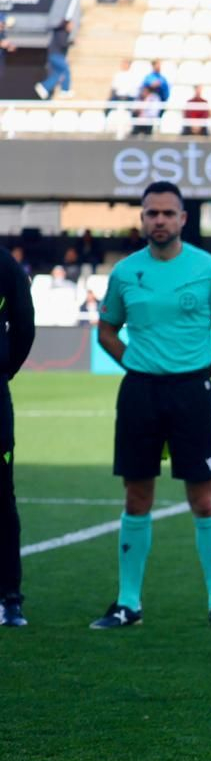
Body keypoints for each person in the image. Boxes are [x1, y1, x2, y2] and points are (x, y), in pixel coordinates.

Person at [91, 182, 211, 631]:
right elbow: (107, 331)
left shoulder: (209, 269)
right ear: (142, 220)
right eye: (150, 213)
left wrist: (197, 373)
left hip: (190, 394)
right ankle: (127, 604)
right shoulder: (124, 273)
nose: (158, 220)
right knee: (136, 497)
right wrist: (139, 364)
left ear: (183, 219)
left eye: (167, 213)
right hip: (140, 392)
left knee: (202, 498)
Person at [0, 244, 35, 627]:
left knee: (1, 499)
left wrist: (5, 370)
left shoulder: (4, 265)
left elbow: (24, 326)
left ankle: (10, 596)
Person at [34, 19, 73, 100]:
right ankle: (65, 90)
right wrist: (71, 42)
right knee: (66, 70)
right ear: (66, 25)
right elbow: (63, 44)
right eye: (71, 25)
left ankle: (44, 87)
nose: (72, 27)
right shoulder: (62, 32)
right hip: (56, 55)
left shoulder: (62, 32)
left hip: (55, 55)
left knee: (57, 74)